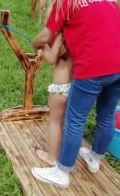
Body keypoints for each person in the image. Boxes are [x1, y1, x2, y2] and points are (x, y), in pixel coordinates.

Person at [31, 0, 120, 189]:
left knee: (75, 119)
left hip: (95, 66)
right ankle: (95, 158)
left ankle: (61, 171)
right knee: (107, 115)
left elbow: (46, 36)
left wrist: (34, 44)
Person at [36, 33, 72, 166]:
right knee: (65, 122)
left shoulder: (62, 35)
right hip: (74, 87)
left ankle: (51, 157)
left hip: (60, 89)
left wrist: (44, 48)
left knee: (55, 122)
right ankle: (61, 151)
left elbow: (51, 59)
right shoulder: (80, 35)